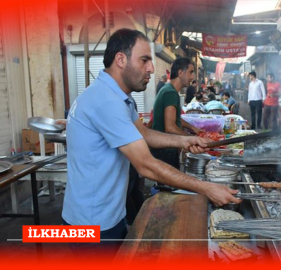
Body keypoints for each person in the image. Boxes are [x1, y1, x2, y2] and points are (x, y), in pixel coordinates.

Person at [63, 29, 240, 254]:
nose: (152, 68)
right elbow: (145, 165)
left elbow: (144, 135)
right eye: (144, 60)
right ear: (120, 59)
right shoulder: (106, 101)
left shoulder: (120, 98)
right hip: (91, 223)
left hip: (108, 214)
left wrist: (186, 141)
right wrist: (206, 188)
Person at [151, 57, 203, 169]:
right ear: (180, 73)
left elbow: (174, 119)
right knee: (169, 186)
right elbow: (170, 127)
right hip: (166, 150)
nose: (192, 77)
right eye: (190, 72)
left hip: (162, 149)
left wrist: (193, 128)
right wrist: (190, 139)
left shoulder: (168, 89)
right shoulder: (170, 93)